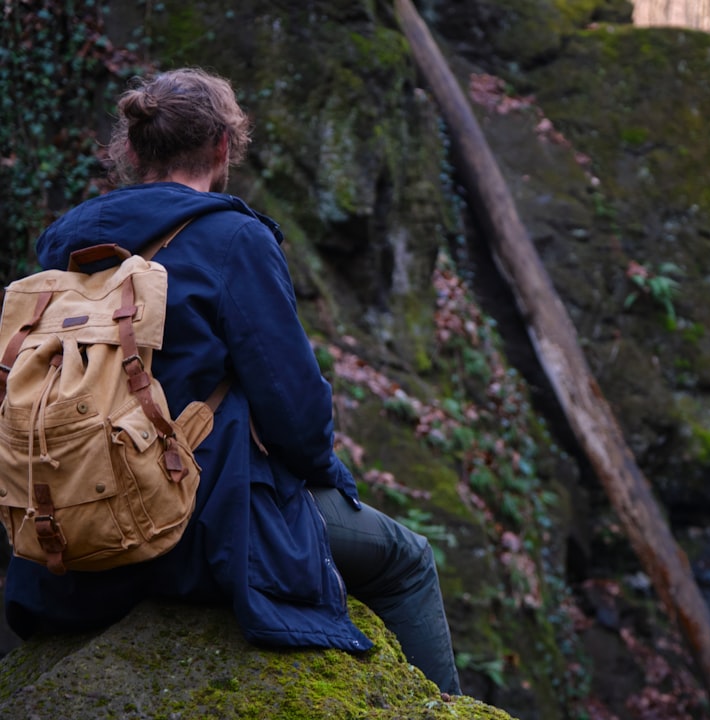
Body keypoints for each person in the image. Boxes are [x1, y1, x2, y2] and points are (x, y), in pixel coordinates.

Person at [3, 67, 461, 695]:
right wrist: (325, 479)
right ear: (223, 148)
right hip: (197, 529)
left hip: (62, 538)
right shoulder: (234, 239)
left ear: (133, 150)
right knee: (408, 561)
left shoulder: (66, 245)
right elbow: (297, 418)